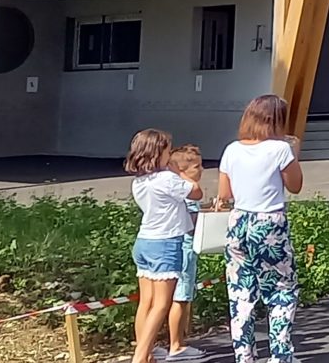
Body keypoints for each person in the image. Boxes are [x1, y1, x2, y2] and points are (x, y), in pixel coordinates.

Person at [218, 95, 305, 363]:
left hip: (239, 221)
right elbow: (295, 185)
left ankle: (244, 356)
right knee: (281, 289)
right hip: (269, 224)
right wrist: (294, 153)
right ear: (277, 120)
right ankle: (280, 355)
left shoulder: (232, 150)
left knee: (241, 293)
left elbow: (225, 193)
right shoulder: (280, 149)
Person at [126, 128, 203, 363]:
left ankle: (145, 352)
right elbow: (196, 192)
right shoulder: (168, 179)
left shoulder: (139, 181)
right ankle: (140, 357)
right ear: (158, 153)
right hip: (166, 243)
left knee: (146, 302)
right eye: (168, 152)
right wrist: (179, 173)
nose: (170, 156)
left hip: (144, 240)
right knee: (161, 304)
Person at [165, 144, 206, 361]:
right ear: (182, 171)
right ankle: (176, 344)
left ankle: (177, 341)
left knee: (178, 297)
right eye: (197, 166)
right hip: (185, 250)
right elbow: (192, 224)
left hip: (178, 248)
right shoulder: (188, 195)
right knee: (181, 297)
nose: (202, 170)